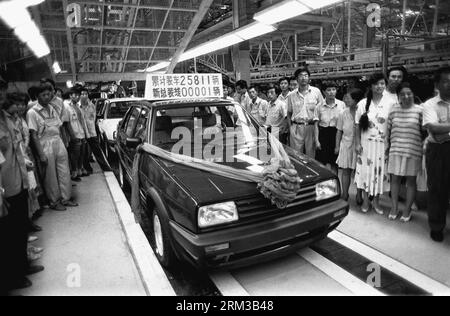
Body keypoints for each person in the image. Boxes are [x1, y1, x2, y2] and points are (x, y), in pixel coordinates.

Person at [0, 78, 44, 291]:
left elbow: (15, 149)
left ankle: (22, 266)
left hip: (18, 182)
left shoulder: (7, 119)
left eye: (2, 90)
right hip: (4, 188)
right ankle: (12, 276)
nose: (1, 94)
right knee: (8, 235)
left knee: (18, 231)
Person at [27, 83, 77, 211]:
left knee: (64, 170)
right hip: (44, 143)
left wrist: (63, 142)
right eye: (43, 95)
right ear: (37, 96)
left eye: (49, 94)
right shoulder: (32, 112)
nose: (47, 97)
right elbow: (33, 135)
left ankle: (66, 198)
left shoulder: (52, 108)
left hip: (58, 141)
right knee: (51, 175)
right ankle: (54, 201)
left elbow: (59, 126)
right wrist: (41, 154)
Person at [355, 73, 395, 214]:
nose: (380, 86)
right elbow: (357, 126)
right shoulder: (362, 103)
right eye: (377, 84)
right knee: (366, 172)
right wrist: (357, 143)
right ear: (371, 86)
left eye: (382, 84)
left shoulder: (391, 103)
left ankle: (376, 202)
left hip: (382, 145)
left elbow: (392, 125)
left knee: (379, 173)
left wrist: (390, 143)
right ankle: (366, 201)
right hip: (366, 144)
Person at [386, 83, 424, 222]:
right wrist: (386, 147)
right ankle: (394, 207)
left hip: (413, 150)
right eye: (402, 94)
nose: (406, 96)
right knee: (394, 180)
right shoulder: (394, 109)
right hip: (395, 149)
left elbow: (424, 131)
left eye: (409, 93)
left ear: (413, 94)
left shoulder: (420, 110)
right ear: (398, 96)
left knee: (411, 182)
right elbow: (388, 130)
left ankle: (407, 209)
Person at [422, 66, 450, 242]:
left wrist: (443, 130)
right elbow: (433, 129)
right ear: (438, 84)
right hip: (438, 152)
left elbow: (440, 130)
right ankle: (437, 226)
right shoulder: (430, 104)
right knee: (437, 189)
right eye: (446, 81)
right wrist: (439, 131)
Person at [287, 66, 324, 158]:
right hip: (296, 127)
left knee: (311, 155)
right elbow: (289, 113)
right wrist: (290, 128)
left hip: (311, 127)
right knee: (296, 155)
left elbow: (322, 109)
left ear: (309, 78)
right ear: (297, 79)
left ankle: (310, 172)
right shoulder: (291, 95)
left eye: (306, 75)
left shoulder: (316, 92)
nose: (303, 78)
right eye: (301, 76)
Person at [336, 88, 365, 202]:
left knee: (359, 171)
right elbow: (339, 130)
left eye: (348, 98)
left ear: (356, 100)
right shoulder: (343, 113)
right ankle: (345, 194)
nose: (345, 100)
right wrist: (337, 146)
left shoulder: (363, 112)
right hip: (346, 144)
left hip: (359, 145)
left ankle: (359, 195)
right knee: (345, 171)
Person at [79, 87, 111, 172]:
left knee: (97, 150)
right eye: (82, 94)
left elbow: (93, 118)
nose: (84, 96)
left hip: (91, 131)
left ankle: (105, 167)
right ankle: (87, 168)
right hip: (81, 132)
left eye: (85, 94)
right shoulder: (77, 106)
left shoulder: (91, 105)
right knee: (84, 152)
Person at [316, 81, 345, 173]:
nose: (331, 92)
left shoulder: (341, 104)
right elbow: (316, 125)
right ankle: (326, 184)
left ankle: (335, 182)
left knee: (335, 162)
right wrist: (316, 141)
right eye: (328, 90)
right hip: (323, 134)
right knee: (324, 162)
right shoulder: (319, 106)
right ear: (324, 92)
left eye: (333, 89)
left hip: (336, 134)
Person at [65, 86, 88, 181]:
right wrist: (72, 136)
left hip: (81, 133)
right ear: (70, 95)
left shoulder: (78, 106)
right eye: (75, 95)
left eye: (79, 95)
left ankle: (79, 169)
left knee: (81, 153)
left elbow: (82, 121)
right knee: (75, 154)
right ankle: (74, 172)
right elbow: (67, 123)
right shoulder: (66, 106)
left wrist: (85, 134)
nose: (78, 97)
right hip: (74, 134)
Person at [277, 77, 291, 144]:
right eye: (281, 83)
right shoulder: (278, 97)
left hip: (291, 124)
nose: (283, 85)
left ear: (289, 85)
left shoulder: (292, 95)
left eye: (285, 83)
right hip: (282, 126)